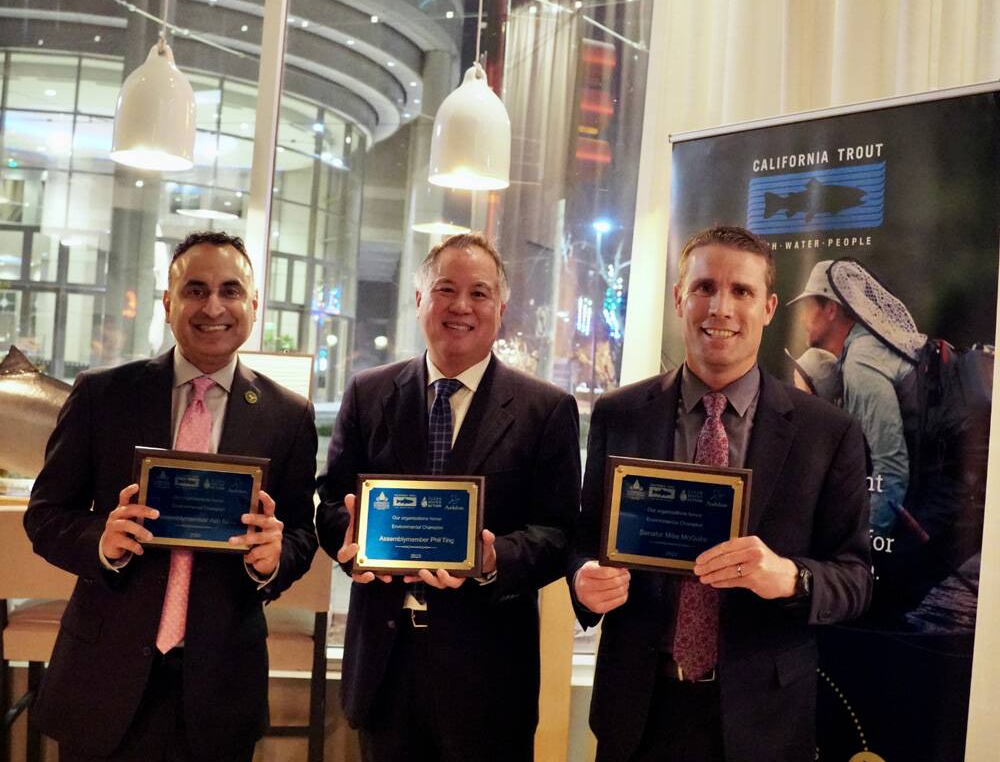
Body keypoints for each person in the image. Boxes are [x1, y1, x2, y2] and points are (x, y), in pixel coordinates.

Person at [570, 226, 871, 762]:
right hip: (637, 711)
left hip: (764, 719)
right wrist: (583, 578)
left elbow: (855, 578)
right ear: (679, 298)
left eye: (742, 291)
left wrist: (790, 577)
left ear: (769, 307)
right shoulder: (620, 414)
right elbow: (583, 538)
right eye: (705, 287)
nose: (721, 308)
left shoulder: (827, 433)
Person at [24, 232, 318, 761]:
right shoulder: (102, 394)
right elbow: (45, 516)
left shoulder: (288, 416)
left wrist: (274, 558)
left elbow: (300, 532)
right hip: (103, 674)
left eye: (230, 290)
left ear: (254, 305)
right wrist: (101, 541)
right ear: (168, 303)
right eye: (195, 289)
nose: (213, 307)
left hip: (221, 682)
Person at [316, 231, 580, 761]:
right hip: (385, 668)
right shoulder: (369, 392)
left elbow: (559, 533)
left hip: (489, 678)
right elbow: (331, 503)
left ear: (501, 309)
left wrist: (492, 559)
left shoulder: (545, 409)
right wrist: (349, 543)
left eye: (479, 293)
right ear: (420, 299)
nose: (461, 306)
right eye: (445, 289)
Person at [789, 259, 914, 534]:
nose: (802, 318)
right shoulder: (867, 347)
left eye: (808, 307)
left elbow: (891, 467)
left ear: (830, 309)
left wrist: (867, 543)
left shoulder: (860, 361)